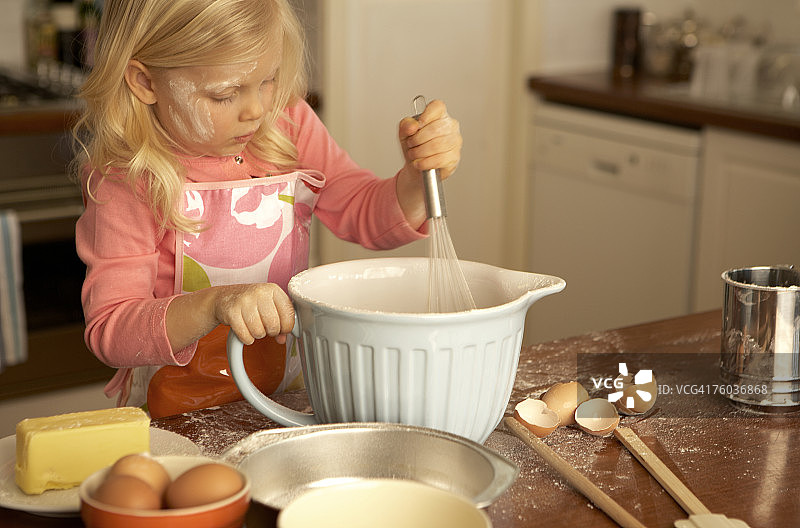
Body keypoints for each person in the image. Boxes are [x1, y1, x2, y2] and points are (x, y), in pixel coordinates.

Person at [73, 0, 463, 418]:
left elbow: (363, 211)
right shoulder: (127, 179)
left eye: (268, 80)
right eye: (225, 94)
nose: (257, 111)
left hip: (288, 392)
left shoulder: (287, 124)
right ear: (145, 82)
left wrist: (417, 179)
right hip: (179, 414)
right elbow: (111, 330)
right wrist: (212, 305)